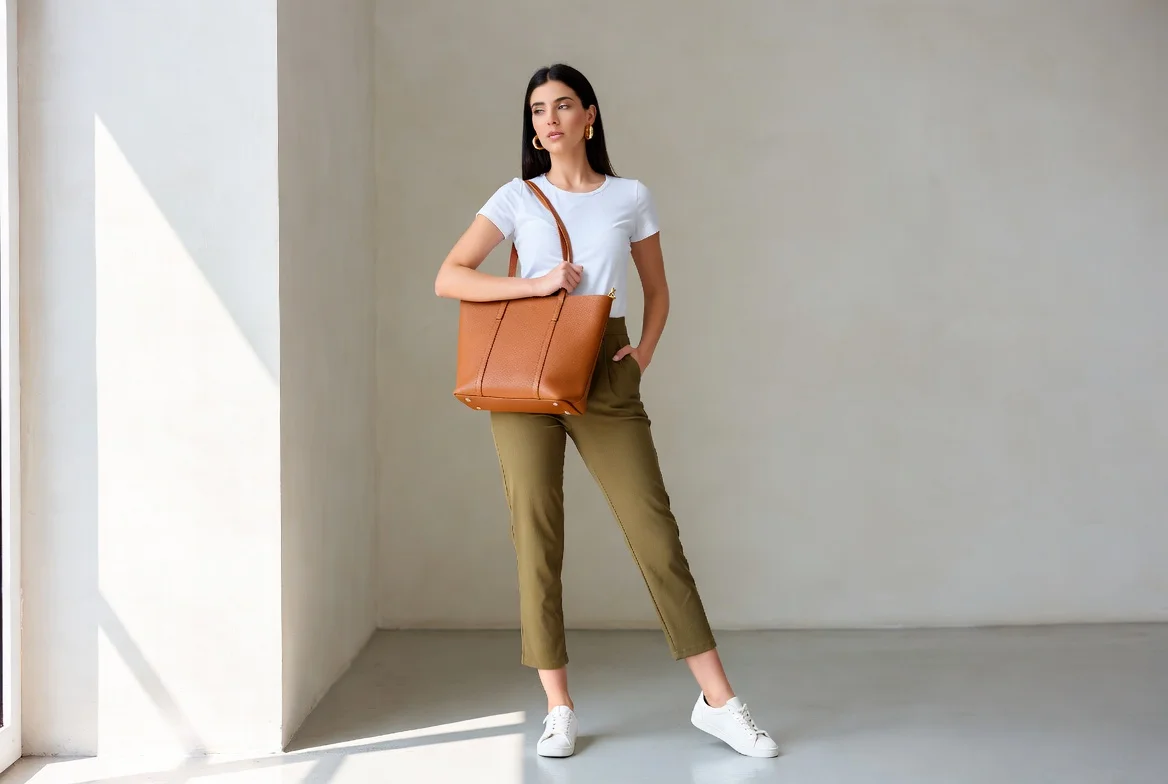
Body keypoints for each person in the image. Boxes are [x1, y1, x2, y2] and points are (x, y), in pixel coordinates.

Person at [434, 63, 778, 760]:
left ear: (591, 116)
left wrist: (643, 352)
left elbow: (658, 289)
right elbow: (449, 277)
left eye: (563, 106)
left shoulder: (629, 196)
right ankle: (558, 707)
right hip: (527, 374)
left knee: (655, 534)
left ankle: (720, 702)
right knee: (536, 534)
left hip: (606, 367)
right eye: (537, 110)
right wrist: (533, 286)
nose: (549, 120)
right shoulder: (515, 197)